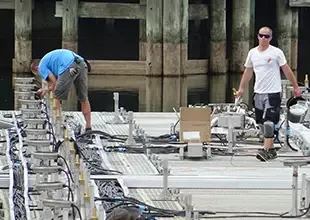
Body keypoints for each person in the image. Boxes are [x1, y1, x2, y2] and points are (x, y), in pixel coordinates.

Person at [236, 26, 301, 161]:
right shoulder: (252, 53)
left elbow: (286, 70)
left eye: (266, 36)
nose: (263, 38)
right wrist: (241, 88)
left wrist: (295, 86)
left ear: (270, 38)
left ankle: (266, 150)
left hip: (272, 92)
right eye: (261, 35)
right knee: (260, 123)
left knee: (269, 123)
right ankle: (271, 150)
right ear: (258, 37)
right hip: (258, 92)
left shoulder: (276, 53)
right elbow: (248, 72)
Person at [30, 49, 92, 131]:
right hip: (81, 62)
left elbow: (54, 83)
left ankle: (58, 126)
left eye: (38, 74)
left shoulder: (41, 67)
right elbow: (55, 83)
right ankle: (88, 127)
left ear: (36, 68)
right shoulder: (50, 61)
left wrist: (45, 90)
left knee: (57, 96)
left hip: (69, 65)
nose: (41, 75)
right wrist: (47, 90)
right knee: (83, 98)